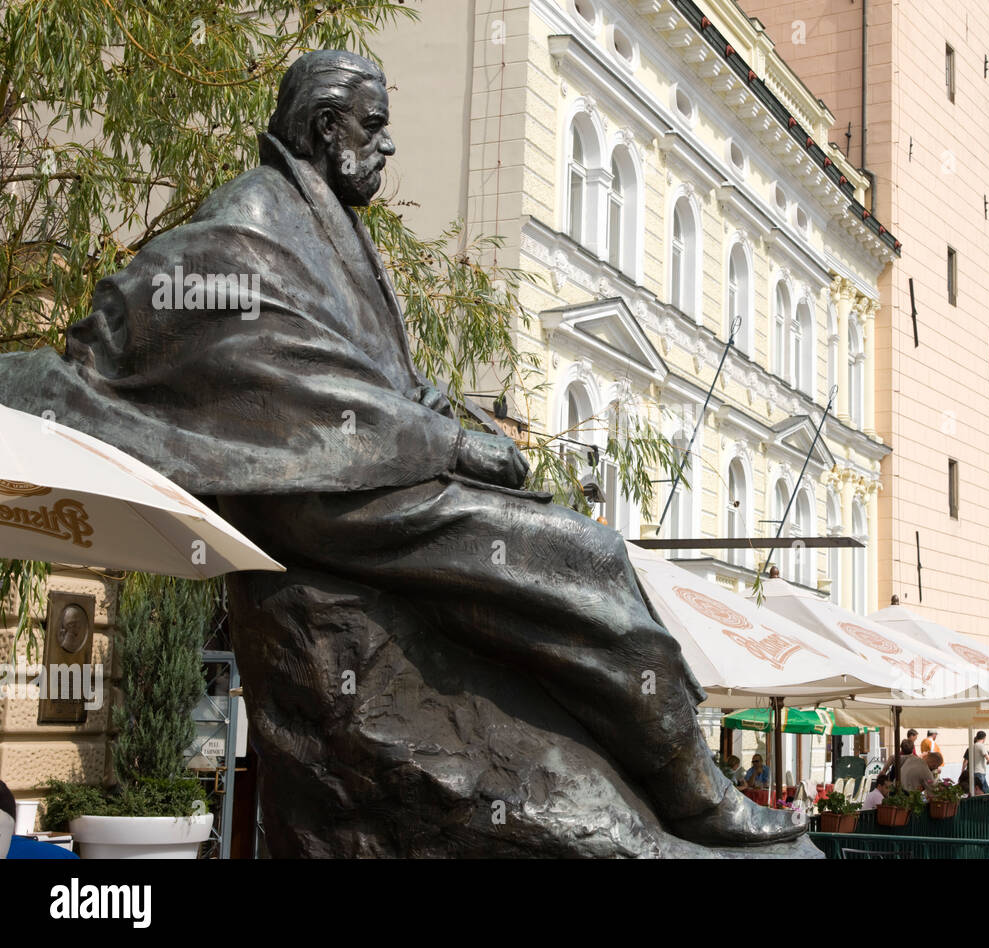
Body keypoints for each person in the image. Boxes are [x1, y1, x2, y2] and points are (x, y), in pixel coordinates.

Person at [0, 50, 804, 853]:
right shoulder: (252, 221)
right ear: (325, 128)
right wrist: (448, 439)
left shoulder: (326, 218)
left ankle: (656, 777)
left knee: (553, 554)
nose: (387, 147)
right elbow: (287, 383)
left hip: (373, 468)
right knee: (584, 555)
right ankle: (691, 793)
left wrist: (431, 410)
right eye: (374, 126)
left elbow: (359, 372)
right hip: (327, 498)